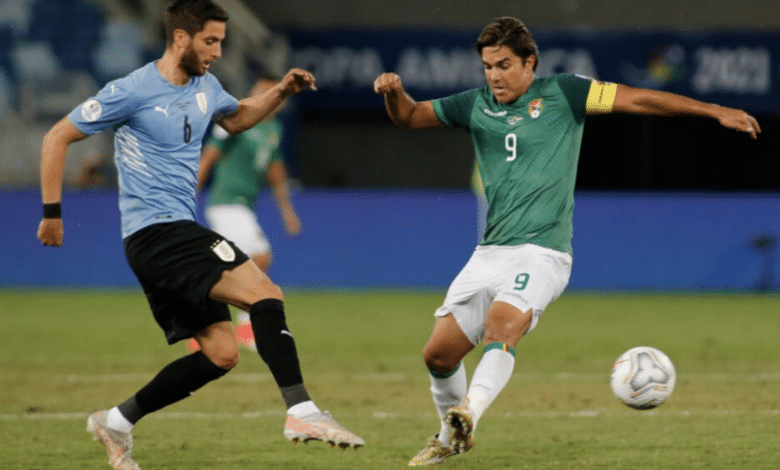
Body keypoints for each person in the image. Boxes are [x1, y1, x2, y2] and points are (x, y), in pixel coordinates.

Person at [373, 17, 760, 466]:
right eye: (486, 66)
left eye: (503, 65)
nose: (493, 76)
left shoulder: (565, 93)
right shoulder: (473, 104)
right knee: (438, 355)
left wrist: (714, 110)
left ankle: (469, 414)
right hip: (491, 251)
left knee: (502, 327)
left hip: (543, 252)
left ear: (529, 63)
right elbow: (410, 117)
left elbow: (638, 100)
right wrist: (392, 93)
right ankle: (450, 437)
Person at [37, 1, 364, 469]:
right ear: (181, 38)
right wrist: (52, 214)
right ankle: (302, 411)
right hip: (158, 233)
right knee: (265, 293)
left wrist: (282, 92)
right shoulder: (131, 90)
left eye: (221, 42)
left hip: (174, 232)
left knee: (221, 353)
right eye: (210, 41)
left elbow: (238, 116)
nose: (217, 51)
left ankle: (116, 421)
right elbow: (56, 137)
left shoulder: (206, 87)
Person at [187, 76, 302, 353]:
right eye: (259, 92)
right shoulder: (234, 122)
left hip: (243, 206)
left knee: (229, 266)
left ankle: (205, 326)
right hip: (225, 202)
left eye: (271, 94)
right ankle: (238, 325)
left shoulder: (274, 129)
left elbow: (275, 172)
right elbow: (209, 157)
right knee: (259, 257)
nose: (265, 98)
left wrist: (287, 211)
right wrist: (189, 197)